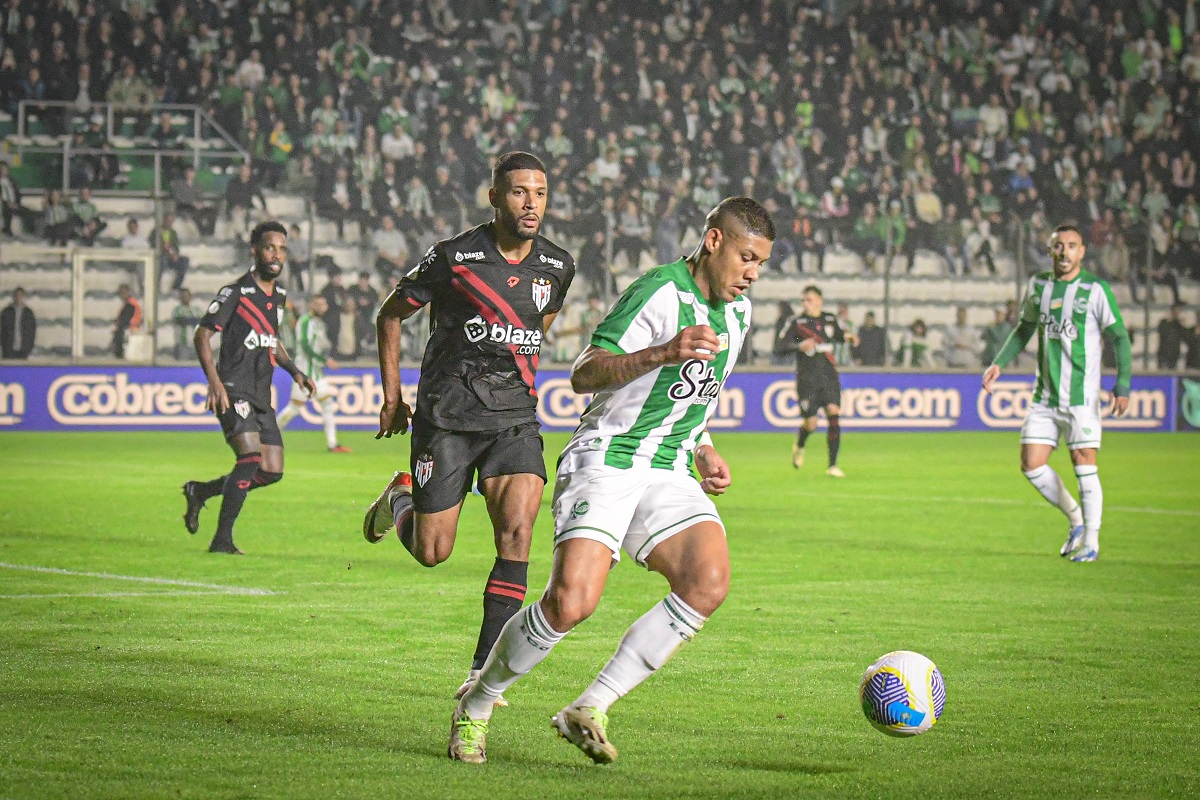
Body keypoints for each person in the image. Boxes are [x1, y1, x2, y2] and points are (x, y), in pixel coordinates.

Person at [449, 196, 775, 765]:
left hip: (667, 465)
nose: (751, 273)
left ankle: (590, 706)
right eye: (746, 257)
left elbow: (693, 395)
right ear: (715, 241)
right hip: (608, 455)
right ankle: (477, 703)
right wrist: (664, 350)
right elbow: (585, 373)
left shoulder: (738, 313)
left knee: (708, 580)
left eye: (761, 265)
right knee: (572, 602)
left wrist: (702, 446)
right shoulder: (658, 292)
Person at [361, 152, 576, 700]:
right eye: (520, 192)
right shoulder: (455, 257)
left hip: (513, 417)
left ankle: (482, 676)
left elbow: (535, 327)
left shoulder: (558, 266)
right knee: (434, 551)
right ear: (495, 197)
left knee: (519, 533)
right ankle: (401, 498)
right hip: (447, 416)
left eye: (541, 193)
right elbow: (390, 314)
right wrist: (393, 397)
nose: (532, 203)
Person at [982, 224, 1132, 563]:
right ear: (1051, 251)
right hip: (1045, 398)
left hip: (1080, 399)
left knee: (1084, 465)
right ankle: (1076, 519)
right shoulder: (1038, 286)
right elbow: (1024, 329)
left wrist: (1122, 384)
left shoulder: (1095, 290)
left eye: (1072, 246)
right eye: (1058, 246)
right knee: (1031, 465)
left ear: (1082, 252)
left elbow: (1120, 338)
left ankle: (1092, 542)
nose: (1064, 252)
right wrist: (998, 363)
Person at [181, 222, 316, 555]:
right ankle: (222, 540)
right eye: (270, 247)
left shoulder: (280, 296)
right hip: (232, 389)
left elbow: (273, 341)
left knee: (271, 471)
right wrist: (213, 382)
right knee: (250, 458)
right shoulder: (236, 293)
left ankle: (201, 491)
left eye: (282, 249)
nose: (277, 255)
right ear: (254, 250)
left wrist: (295, 371)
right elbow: (202, 334)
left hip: (260, 394)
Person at [785, 286, 855, 477]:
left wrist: (849, 337)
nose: (805, 304)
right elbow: (781, 345)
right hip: (807, 377)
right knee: (812, 424)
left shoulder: (830, 319)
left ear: (819, 301)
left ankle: (832, 465)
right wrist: (799, 345)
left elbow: (839, 335)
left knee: (834, 412)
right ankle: (800, 444)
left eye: (809, 299)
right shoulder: (798, 323)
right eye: (803, 300)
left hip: (829, 374)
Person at [277, 294, 351, 453]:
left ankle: (333, 444)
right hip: (304, 371)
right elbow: (305, 345)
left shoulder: (318, 323)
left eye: (323, 303)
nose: (322, 307)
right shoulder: (305, 322)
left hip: (316, 372)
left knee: (327, 406)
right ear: (311, 305)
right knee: (294, 408)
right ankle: (268, 436)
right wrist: (324, 359)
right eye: (318, 304)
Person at [0, 287, 36, 359]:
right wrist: (4, 345)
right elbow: (2, 330)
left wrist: (28, 347)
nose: (18, 297)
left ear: (24, 297)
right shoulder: (6, 312)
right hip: (8, 350)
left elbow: (32, 331)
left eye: (21, 295)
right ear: (13, 297)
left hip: (23, 351)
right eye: (16, 295)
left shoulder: (29, 313)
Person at [171, 288, 203, 361]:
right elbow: (180, 320)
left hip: (196, 343)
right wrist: (193, 320)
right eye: (183, 296)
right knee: (183, 365)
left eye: (187, 295)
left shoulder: (196, 310)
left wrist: (190, 320)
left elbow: (201, 321)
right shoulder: (177, 310)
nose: (185, 298)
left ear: (190, 297)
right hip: (183, 344)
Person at [111, 284, 142, 359]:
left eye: (124, 292)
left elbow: (125, 321)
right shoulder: (128, 303)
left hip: (130, 330)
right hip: (129, 329)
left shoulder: (131, 304)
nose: (122, 295)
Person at [1157, 303, 1187, 371]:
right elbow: (1161, 331)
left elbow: (1185, 336)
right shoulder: (1163, 322)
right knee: (1162, 374)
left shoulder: (1178, 325)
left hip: (1174, 354)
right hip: (1163, 353)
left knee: (1172, 373)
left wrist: (1182, 324)